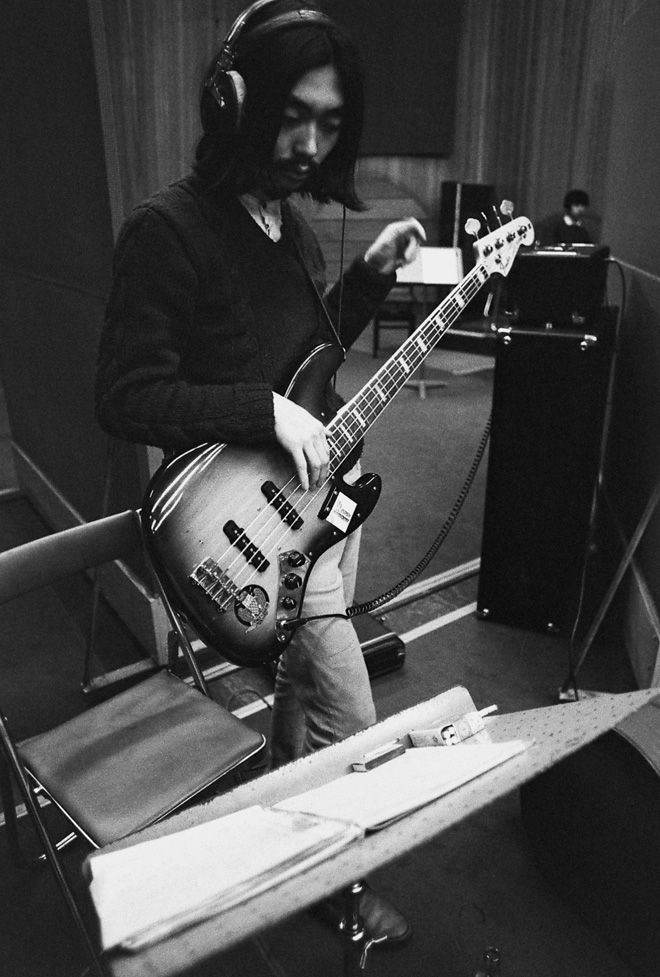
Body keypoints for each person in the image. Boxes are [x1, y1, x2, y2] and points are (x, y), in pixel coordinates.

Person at [95, 0, 424, 947]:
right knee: (355, 724)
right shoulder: (168, 230)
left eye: (330, 124)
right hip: (243, 527)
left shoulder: (291, 228)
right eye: (293, 116)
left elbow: (303, 360)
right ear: (232, 103)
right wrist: (259, 410)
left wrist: (367, 280)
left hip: (319, 509)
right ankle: (341, 885)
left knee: (297, 696)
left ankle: (283, 846)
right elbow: (125, 394)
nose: (310, 146)